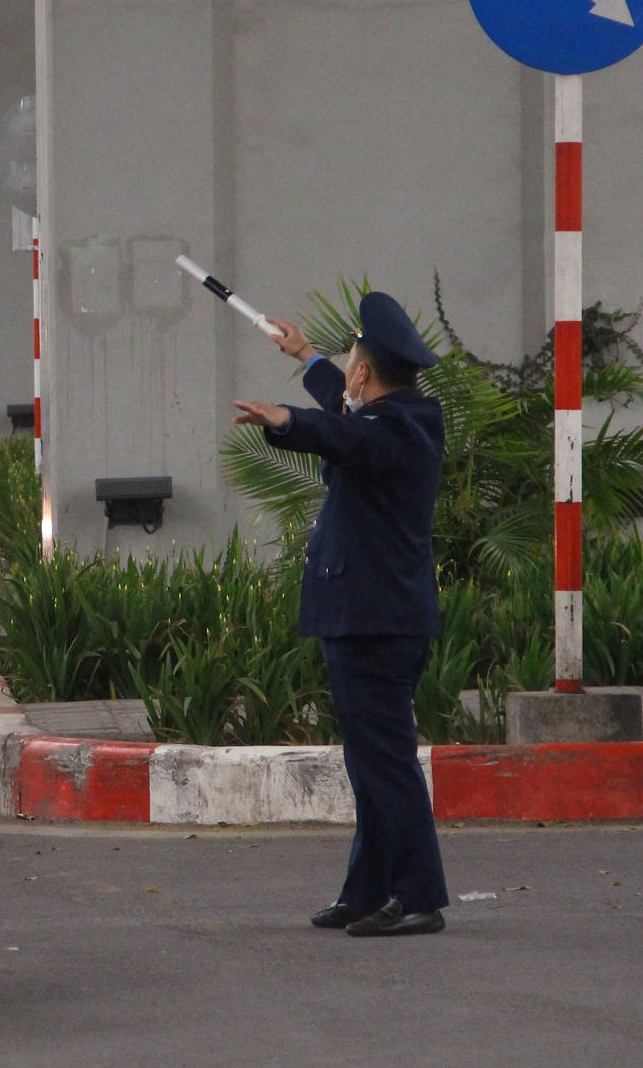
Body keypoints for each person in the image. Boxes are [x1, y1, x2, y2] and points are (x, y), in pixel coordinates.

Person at [232, 291, 447, 937]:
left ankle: (417, 895)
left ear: (364, 372)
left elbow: (342, 430)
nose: (347, 371)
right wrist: (304, 354)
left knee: (384, 760)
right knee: (370, 759)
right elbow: (347, 416)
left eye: (350, 360)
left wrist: (284, 420)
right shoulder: (394, 418)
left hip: (375, 621)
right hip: (372, 616)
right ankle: (369, 889)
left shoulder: (399, 430)